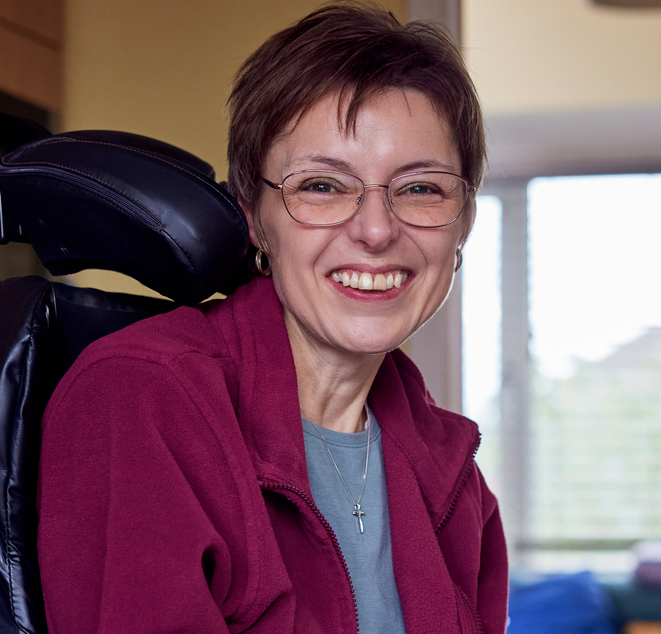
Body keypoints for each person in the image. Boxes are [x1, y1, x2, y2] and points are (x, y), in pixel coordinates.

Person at [36, 4, 507, 633]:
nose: (375, 230)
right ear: (255, 217)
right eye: (321, 186)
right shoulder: (141, 398)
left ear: (464, 222)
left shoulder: (455, 475)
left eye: (421, 189)